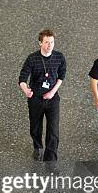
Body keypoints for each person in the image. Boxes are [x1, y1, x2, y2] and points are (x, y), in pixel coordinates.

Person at [19, 29, 66, 162]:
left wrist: (52, 92)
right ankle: (38, 146)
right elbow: (22, 78)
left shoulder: (59, 57)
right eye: (46, 42)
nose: (50, 45)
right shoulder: (32, 58)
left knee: (53, 129)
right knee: (35, 125)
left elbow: (61, 76)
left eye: (52, 42)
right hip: (35, 98)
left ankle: (50, 158)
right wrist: (25, 90)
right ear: (40, 43)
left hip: (52, 98)